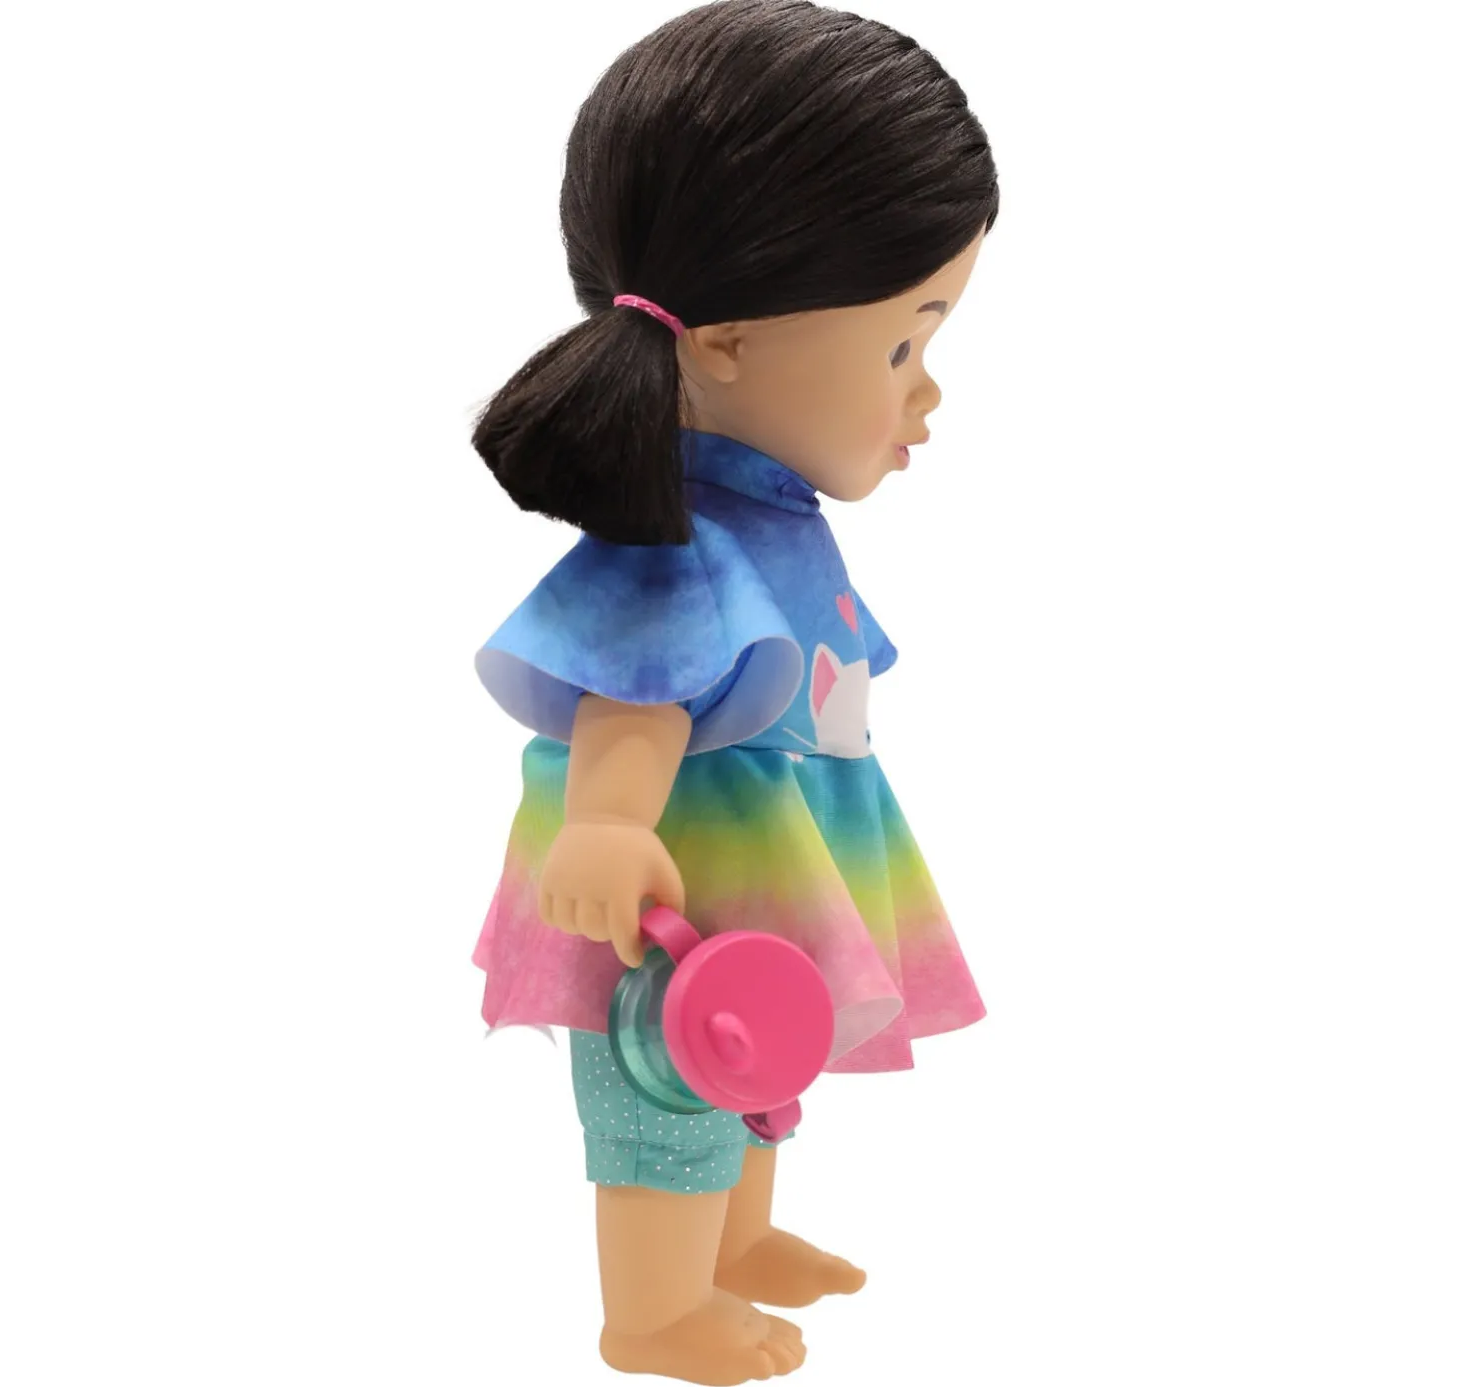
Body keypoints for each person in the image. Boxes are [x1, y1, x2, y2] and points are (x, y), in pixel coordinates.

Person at [469, 3, 998, 1380]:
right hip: (673, 873)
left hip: (761, 855)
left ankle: (736, 1240)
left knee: (755, 1053)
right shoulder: (679, 539)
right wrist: (605, 822)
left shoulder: (762, 513)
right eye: (901, 346)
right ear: (725, 340)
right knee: (670, 1075)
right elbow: (633, 692)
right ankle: (651, 1310)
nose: (927, 394)